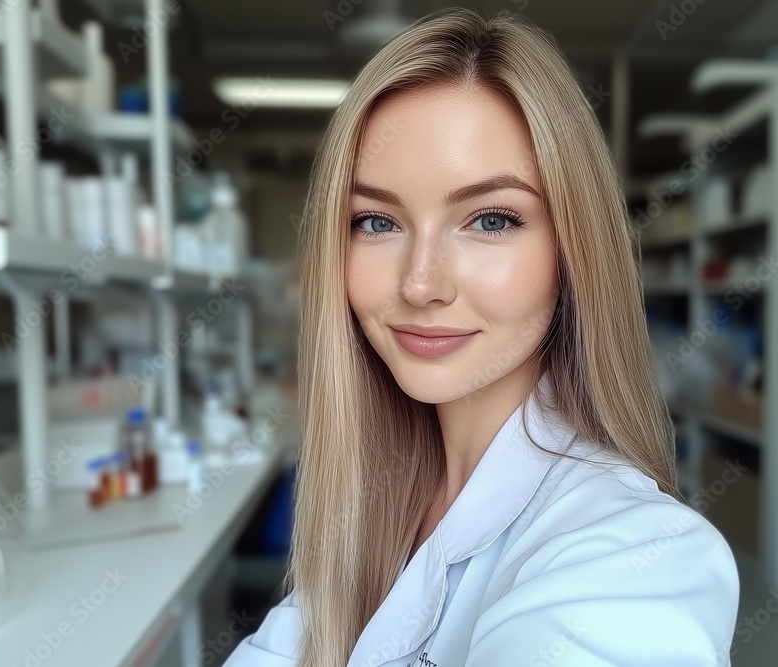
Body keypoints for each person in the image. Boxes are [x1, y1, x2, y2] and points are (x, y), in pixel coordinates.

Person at [223, 8, 740, 667]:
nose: (420, 283)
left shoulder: (631, 555)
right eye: (377, 221)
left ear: (571, 250)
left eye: (491, 219)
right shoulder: (376, 508)